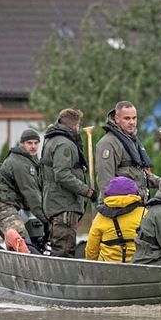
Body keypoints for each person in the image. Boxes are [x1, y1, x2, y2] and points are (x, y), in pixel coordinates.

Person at [41, 108, 97, 258]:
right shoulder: (65, 144)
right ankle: (59, 281)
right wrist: (87, 191)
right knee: (64, 250)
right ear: (74, 125)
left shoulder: (51, 139)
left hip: (56, 203)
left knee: (60, 247)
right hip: (64, 204)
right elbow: (62, 174)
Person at [0, 129, 47, 254]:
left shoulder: (27, 160)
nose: (33, 146)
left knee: (15, 246)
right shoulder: (21, 163)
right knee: (24, 243)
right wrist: (47, 220)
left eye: (36, 143)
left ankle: (13, 269)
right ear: (22, 144)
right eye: (29, 143)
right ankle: (32, 270)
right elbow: (32, 195)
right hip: (1, 206)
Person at [95, 101, 159, 202]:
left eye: (134, 118)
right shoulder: (108, 143)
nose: (132, 122)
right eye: (127, 118)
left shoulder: (132, 141)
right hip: (120, 208)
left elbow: (139, 174)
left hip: (138, 204)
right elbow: (106, 183)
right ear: (116, 119)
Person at [85, 176, 145, 263]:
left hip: (107, 270)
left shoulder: (100, 217)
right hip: (138, 269)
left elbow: (91, 250)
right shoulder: (144, 214)